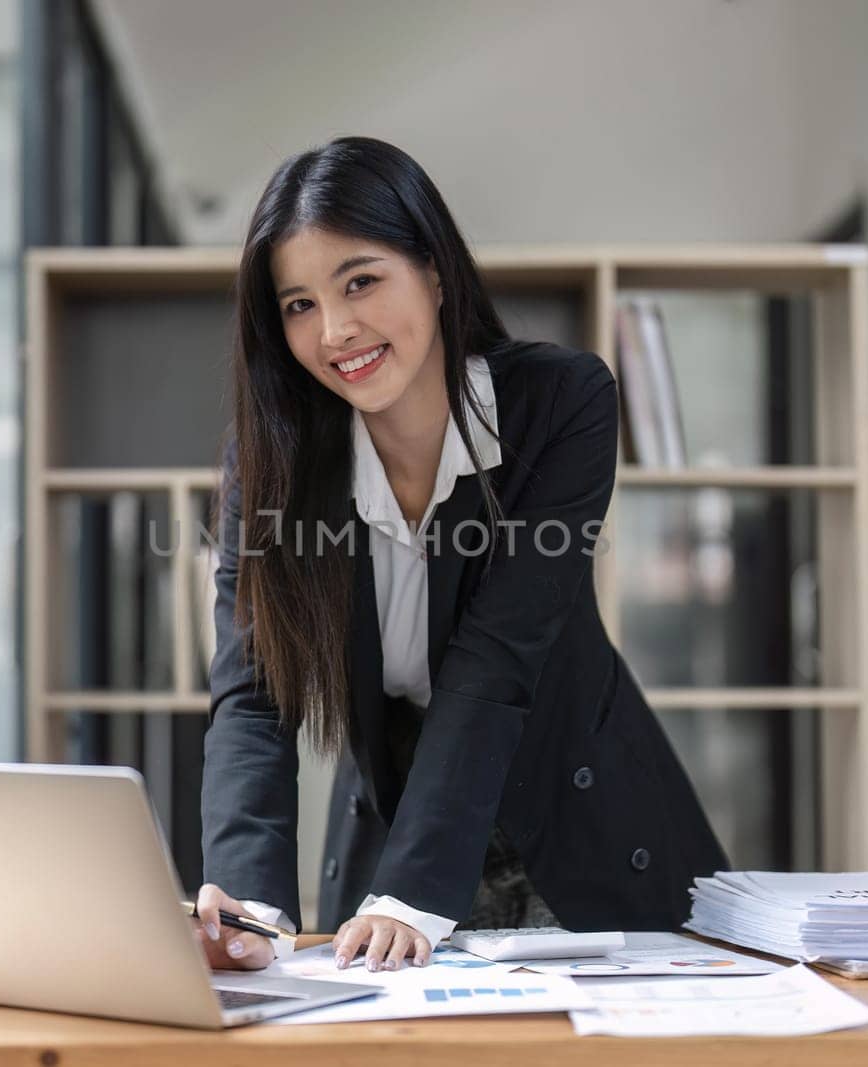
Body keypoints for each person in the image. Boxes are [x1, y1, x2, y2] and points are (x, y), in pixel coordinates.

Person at [192, 136, 727, 976]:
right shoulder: (269, 463)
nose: (335, 330)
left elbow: (495, 658)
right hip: (396, 835)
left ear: (435, 273)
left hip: (575, 826)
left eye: (360, 281)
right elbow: (254, 695)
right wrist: (249, 905)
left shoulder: (561, 403)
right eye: (298, 304)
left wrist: (412, 889)